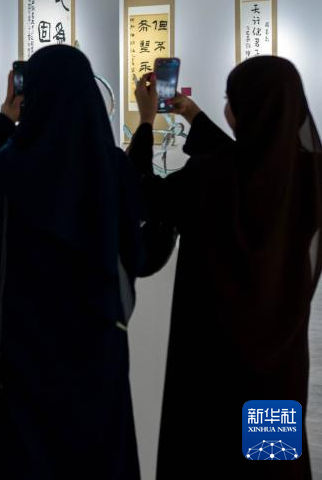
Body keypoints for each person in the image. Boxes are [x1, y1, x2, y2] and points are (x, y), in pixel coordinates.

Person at [0, 45, 147, 479]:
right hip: (97, 350)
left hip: (20, 358)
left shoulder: (6, 167)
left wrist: (4, 120)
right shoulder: (113, 167)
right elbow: (138, 255)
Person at [130, 56, 322, 479]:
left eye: (230, 100)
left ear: (248, 109)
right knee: (271, 462)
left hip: (211, 368)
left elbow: (143, 196)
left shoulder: (211, 179)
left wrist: (145, 123)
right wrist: (193, 116)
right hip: (278, 369)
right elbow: (250, 161)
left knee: (209, 458)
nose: (226, 108)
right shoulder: (309, 178)